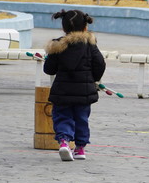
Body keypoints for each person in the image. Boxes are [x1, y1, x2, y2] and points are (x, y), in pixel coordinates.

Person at [43, 10, 106, 161]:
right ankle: (80, 148)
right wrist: (94, 79)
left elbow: (49, 69)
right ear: (85, 27)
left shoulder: (57, 46)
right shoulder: (90, 45)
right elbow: (100, 64)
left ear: (64, 28)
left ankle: (64, 141)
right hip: (84, 91)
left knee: (62, 116)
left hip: (62, 91)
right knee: (81, 118)